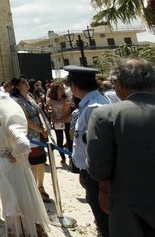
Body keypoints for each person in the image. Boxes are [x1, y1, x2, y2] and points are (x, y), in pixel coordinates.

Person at [87, 58, 155, 237]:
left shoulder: (105, 115)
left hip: (128, 209)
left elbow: (99, 165)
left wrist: (103, 190)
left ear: (119, 84)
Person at [0, 91, 50, 237]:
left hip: (11, 168)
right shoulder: (0, 122)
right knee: (12, 200)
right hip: (4, 168)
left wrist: (15, 155)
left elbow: (23, 143)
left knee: (17, 201)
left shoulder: (9, 123)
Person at [65, 64, 110, 237]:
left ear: (74, 86)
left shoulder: (93, 108)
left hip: (98, 176)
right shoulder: (89, 104)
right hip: (90, 173)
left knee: (105, 223)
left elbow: (100, 148)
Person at [9, 77, 50, 203]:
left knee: (41, 161)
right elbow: (25, 120)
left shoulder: (29, 96)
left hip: (39, 133)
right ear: (17, 86)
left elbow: (39, 112)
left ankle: (40, 186)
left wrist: (44, 126)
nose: (26, 83)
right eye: (23, 82)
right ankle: (33, 190)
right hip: (30, 136)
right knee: (33, 163)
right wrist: (39, 129)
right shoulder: (17, 101)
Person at [45, 81, 73, 166]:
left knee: (69, 139)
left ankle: (71, 157)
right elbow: (47, 110)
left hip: (66, 121)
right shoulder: (50, 100)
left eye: (62, 88)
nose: (62, 90)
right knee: (59, 140)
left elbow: (69, 111)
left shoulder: (66, 99)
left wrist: (63, 118)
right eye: (60, 88)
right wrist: (52, 117)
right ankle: (62, 157)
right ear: (56, 90)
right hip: (57, 122)